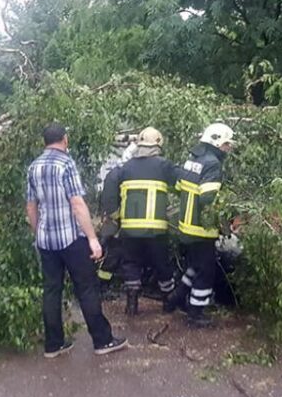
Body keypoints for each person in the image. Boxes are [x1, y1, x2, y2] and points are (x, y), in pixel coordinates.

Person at [25, 123, 128, 358]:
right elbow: (77, 203)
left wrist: (37, 233)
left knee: (52, 290)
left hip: (46, 240)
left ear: (45, 141)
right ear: (65, 139)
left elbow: (31, 206)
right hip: (71, 239)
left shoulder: (34, 167)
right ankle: (103, 341)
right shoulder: (66, 164)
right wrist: (93, 238)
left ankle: (53, 344)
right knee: (87, 288)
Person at [101, 127, 179, 315]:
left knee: (131, 263)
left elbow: (109, 183)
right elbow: (184, 184)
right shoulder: (164, 166)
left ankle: (132, 304)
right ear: (158, 145)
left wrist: (115, 215)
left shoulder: (125, 168)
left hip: (130, 228)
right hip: (156, 230)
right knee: (162, 264)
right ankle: (168, 303)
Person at [165, 122, 235, 328]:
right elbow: (208, 198)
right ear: (217, 141)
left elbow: (178, 187)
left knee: (195, 265)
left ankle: (177, 298)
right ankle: (196, 313)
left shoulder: (192, 160)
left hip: (186, 226)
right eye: (226, 144)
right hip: (201, 229)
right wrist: (228, 204)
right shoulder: (213, 163)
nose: (228, 149)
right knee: (206, 271)